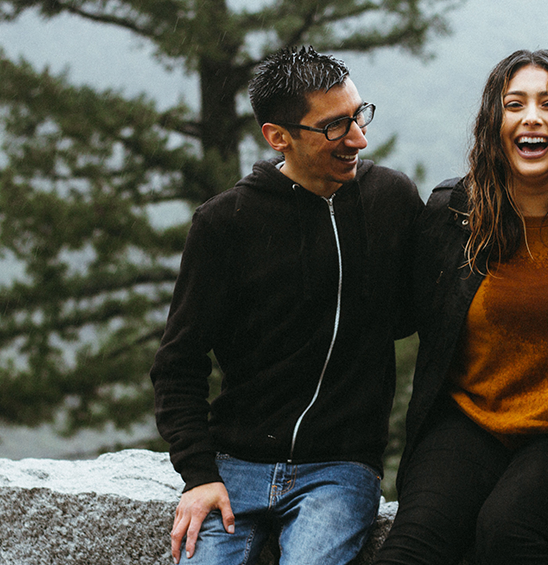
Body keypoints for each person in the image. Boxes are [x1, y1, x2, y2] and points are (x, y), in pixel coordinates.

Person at [151, 46, 423, 565]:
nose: (359, 139)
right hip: (235, 467)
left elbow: (419, 314)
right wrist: (200, 475)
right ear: (279, 136)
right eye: (335, 127)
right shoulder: (225, 223)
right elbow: (177, 364)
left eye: (359, 116)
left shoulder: (391, 199)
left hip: (339, 470)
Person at [374, 49, 548, 565]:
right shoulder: (455, 214)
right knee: (411, 547)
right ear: (495, 123)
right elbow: (394, 312)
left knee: (507, 532)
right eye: (514, 104)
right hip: (469, 421)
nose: (531, 117)